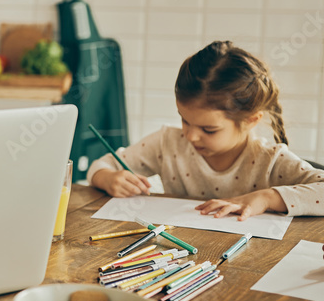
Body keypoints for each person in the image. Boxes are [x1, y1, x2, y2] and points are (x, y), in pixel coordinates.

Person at [87, 41, 324, 220]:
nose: (191, 136)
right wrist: (107, 178)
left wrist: (266, 197)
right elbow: (101, 165)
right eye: (184, 120)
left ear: (251, 121)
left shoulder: (270, 159)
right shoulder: (167, 143)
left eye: (209, 129)